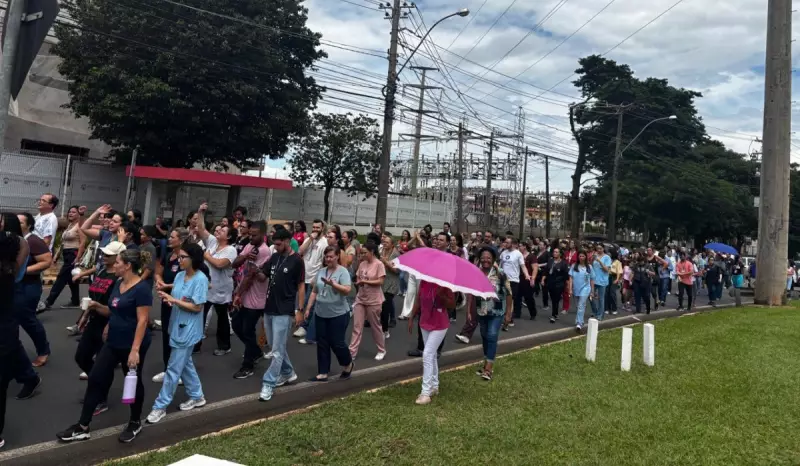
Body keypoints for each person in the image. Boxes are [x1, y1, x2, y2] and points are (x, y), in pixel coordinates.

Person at [57, 249, 153, 444]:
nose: (114, 265)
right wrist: (95, 306)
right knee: (95, 378)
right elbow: (114, 309)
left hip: (132, 343)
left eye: (117, 262)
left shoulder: (141, 288)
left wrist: (135, 350)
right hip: (113, 341)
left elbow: (143, 320)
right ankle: (82, 426)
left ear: (127, 265)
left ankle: (135, 422)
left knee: (132, 382)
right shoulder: (119, 283)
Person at [147, 243, 209, 424]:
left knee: (173, 369)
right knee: (185, 364)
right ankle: (197, 396)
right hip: (177, 324)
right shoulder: (181, 275)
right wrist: (169, 298)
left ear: (193, 259)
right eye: (179, 257)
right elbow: (178, 297)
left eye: (183, 257)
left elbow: (197, 307)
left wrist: (173, 299)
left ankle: (160, 406)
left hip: (188, 329)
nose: (179, 260)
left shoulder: (201, 279)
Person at [73, 241, 125, 416]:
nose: (104, 256)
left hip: (107, 326)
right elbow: (92, 297)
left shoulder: (119, 279)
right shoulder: (102, 271)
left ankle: (100, 398)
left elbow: (116, 309)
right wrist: (85, 316)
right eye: (104, 254)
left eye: (109, 255)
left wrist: (100, 313)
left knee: (104, 366)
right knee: (81, 357)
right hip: (94, 321)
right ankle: (96, 384)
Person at [257, 228, 303, 402]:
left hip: (284, 310)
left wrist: (299, 310)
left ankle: (268, 383)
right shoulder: (274, 257)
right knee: (276, 346)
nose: (275, 247)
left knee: (276, 350)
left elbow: (301, 285)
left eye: (277, 244)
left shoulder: (297, 261)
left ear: (286, 241)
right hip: (269, 307)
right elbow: (264, 276)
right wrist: (255, 270)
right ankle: (288, 373)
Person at [305, 246, 354, 382]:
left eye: (331, 256)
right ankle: (323, 372)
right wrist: (308, 308)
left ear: (337, 256)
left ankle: (348, 364)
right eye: (326, 257)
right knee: (322, 342)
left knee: (337, 342)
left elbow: (347, 290)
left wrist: (334, 285)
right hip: (321, 313)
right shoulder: (321, 271)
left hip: (338, 314)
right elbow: (315, 291)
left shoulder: (342, 272)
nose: (329, 259)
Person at [195, 203, 237, 355]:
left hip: (221, 289)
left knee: (222, 319)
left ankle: (224, 346)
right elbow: (201, 229)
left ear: (229, 236)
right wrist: (200, 213)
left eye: (223, 230)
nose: (219, 231)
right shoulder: (213, 242)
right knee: (200, 315)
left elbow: (220, 264)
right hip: (207, 287)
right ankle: (195, 343)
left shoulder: (231, 250)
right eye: (218, 230)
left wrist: (205, 254)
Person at [231, 221, 271, 379]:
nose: (251, 237)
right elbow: (235, 263)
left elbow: (249, 276)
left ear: (263, 235)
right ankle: (255, 351)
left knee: (248, 330)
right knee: (236, 325)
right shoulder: (250, 246)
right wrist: (246, 255)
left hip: (256, 299)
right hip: (245, 295)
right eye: (250, 234)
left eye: (255, 235)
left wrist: (238, 294)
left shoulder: (264, 251)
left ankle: (247, 365)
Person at [152, 228, 191, 383]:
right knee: (167, 334)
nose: (169, 239)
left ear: (181, 240)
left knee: (179, 337)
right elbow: (158, 270)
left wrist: (167, 286)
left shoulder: (186, 258)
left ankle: (180, 372)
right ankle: (168, 369)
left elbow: (188, 280)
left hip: (180, 302)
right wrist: (159, 280)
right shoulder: (169, 255)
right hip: (166, 300)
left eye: (172, 237)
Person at [408, 278, 454, 405]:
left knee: (427, 354)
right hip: (425, 322)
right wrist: (412, 317)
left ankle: (425, 393)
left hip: (440, 325)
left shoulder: (445, 284)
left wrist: (442, 296)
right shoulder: (424, 281)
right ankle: (434, 386)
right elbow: (418, 300)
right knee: (431, 355)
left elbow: (452, 304)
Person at [16, 213, 52, 367]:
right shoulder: (13, 240)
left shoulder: (33, 241)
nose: (17, 224)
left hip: (28, 287)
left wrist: (22, 270)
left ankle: (43, 351)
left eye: (20, 222)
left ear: (29, 225)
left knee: (28, 320)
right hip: (14, 285)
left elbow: (46, 262)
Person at [473, 247, 511, 381]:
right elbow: (471, 294)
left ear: (493, 259)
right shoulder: (476, 273)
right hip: (481, 310)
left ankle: (488, 368)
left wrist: (508, 314)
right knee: (484, 336)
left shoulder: (500, 274)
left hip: (497, 311)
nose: (485, 260)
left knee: (492, 335)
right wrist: (468, 312)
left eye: (488, 258)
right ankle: (486, 363)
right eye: (483, 257)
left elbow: (508, 294)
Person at [41, 205, 86, 310]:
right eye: (70, 212)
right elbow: (62, 243)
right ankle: (75, 301)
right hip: (66, 253)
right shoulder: (70, 225)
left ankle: (48, 302)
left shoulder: (80, 226)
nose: (70, 213)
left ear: (79, 215)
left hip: (73, 254)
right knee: (71, 280)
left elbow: (83, 242)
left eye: (74, 212)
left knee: (61, 278)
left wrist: (78, 257)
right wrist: (56, 255)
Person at [350, 242, 387, 361]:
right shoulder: (362, 264)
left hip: (374, 300)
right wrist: (359, 281)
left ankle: (381, 349)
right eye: (361, 253)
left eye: (365, 253)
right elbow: (358, 277)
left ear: (372, 252)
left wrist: (366, 282)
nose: (362, 255)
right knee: (357, 326)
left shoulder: (379, 264)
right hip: (361, 298)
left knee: (375, 326)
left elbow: (380, 281)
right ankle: (352, 352)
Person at [295, 220, 327, 341]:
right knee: (302, 301)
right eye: (313, 227)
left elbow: (323, 262)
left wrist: (317, 277)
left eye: (317, 227)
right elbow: (300, 251)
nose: (315, 229)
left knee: (310, 302)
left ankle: (305, 327)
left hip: (314, 276)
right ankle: (302, 322)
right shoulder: (308, 239)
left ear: (322, 228)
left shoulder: (324, 243)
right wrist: (310, 239)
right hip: (304, 275)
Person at [568, 250, 595, 333]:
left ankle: (579, 323)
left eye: (583, 256)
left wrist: (592, 291)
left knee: (580, 305)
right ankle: (580, 319)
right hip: (576, 289)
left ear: (586, 257)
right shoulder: (574, 266)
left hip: (585, 289)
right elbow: (571, 278)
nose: (581, 257)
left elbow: (592, 279)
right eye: (580, 256)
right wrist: (570, 289)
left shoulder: (589, 267)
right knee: (578, 306)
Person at [379, 233, 400, 336]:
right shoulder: (381, 250)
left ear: (392, 244)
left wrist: (385, 262)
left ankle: (385, 330)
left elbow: (397, 271)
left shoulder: (395, 254)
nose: (384, 244)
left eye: (387, 242)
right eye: (384, 242)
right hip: (382, 281)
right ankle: (382, 325)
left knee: (385, 306)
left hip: (391, 283)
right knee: (380, 307)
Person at [542, 247, 570, 324]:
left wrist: (568, 285)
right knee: (553, 299)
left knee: (555, 299)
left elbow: (566, 275)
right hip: (550, 282)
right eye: (554, 252)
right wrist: (543, 279)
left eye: (557, 252)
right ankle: (556, 313)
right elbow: (546, 271)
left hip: (559, 284)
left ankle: (553, 315)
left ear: (560, 254)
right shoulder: (550, 261)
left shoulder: (563, 263)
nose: (555, 253)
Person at [590, 244, 611, 321]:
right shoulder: (595, 256)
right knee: (591, 297)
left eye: (600, 248)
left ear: (603, 249)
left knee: (601, 299)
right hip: (594, 280)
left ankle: (600, 315)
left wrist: (599, 260)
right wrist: (592, 259)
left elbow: (606, 269)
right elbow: (591, 266)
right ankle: (595, 311)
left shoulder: (607, 257)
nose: (599, 250)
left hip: (603, 281)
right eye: (597, 248)